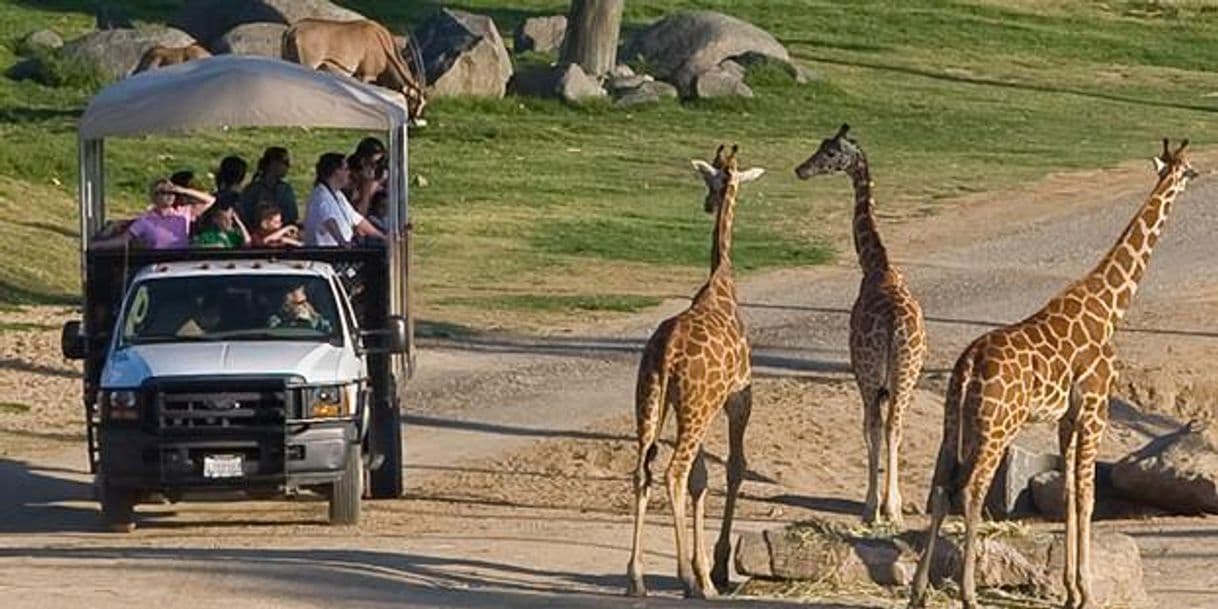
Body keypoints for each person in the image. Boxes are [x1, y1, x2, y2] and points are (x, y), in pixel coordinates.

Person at [93, 178, 216, 249]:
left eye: (171, 192)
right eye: (163, 192)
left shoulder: (183, 214)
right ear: (154, 197)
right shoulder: (145, 220)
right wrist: (99, 245)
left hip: (179, 264)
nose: (168, 195)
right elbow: (124, 239)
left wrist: (181, 190)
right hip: (157, 265)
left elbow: (210, 200)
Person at [302, 152, 384, 247]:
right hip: (328, 254)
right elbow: (329, 221)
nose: (349, 173)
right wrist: (342, 241)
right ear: (336, 172)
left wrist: (382, 236)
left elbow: (357, 220)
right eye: (345, 169)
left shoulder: (338, 194)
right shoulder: (320, 195)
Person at [239, 146, 297, 228]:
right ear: (274, 163)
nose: (288, 166)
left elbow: (291, 218)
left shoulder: (286, 189)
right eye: (285, 162)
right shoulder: (253, 190)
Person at [267, 285, 332, 333]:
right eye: (293, 303)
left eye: (302, 302)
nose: (300, 307)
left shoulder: (318, 321)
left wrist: (309, 321)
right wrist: (290, 320)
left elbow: (329, 333)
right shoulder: (275, 320)